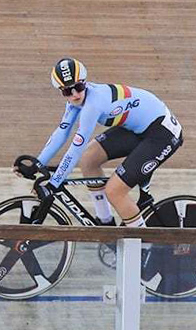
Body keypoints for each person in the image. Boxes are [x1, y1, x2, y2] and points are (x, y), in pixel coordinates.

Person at [16, 58, 183, 228]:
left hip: (162, 133)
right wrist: (38, 163)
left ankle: (142, 249)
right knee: (89, 158)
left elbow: (76, 146)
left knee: (114, 191)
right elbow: (61, 133)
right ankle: (104, 223)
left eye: (78, 87)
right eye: (67, 91)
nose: (74, 94)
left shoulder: (93, 104)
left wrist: (54, 183)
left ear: (85, 83)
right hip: (138, 129)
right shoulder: (75, 102)